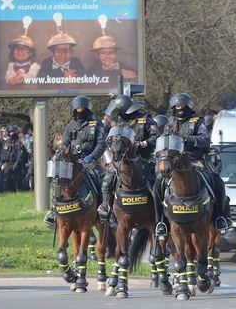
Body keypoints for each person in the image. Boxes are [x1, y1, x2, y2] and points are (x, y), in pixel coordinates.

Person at [153, 93, 233, 236]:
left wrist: (187, 139)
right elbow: (163, 140)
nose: (179, 110)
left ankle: (220, 217)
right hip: (174, 161)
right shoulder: (170, 123)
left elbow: (205, 139)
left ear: (187, 107)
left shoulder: (198, 121)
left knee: (216, 180)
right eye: (177, 107)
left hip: (195, 159)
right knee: (158, 183)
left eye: (182, 107)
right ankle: (161, 222)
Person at [44, 96, 106, 225]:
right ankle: (54, 210)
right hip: (72, 162)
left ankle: (102, 208)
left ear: (87, 109)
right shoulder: (70, 126)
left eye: (82, 108)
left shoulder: (97, 124)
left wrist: (92, 157)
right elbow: (65, 143)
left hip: (90, 162)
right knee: (58, 180)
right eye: (78, 108)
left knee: (101, 178)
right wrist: (62, 152)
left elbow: (101, 144)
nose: (80, 110)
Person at [97, 95, 160, 221]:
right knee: (108, 178)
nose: (118, 114)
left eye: (119, 110)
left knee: (158, 180)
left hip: (145, 157)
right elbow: (108, 137)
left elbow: (156, 136)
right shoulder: (119, 122)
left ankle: (160, 211)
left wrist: (143, 143)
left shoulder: (145, 119)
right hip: (122, 159)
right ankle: (105, 206)